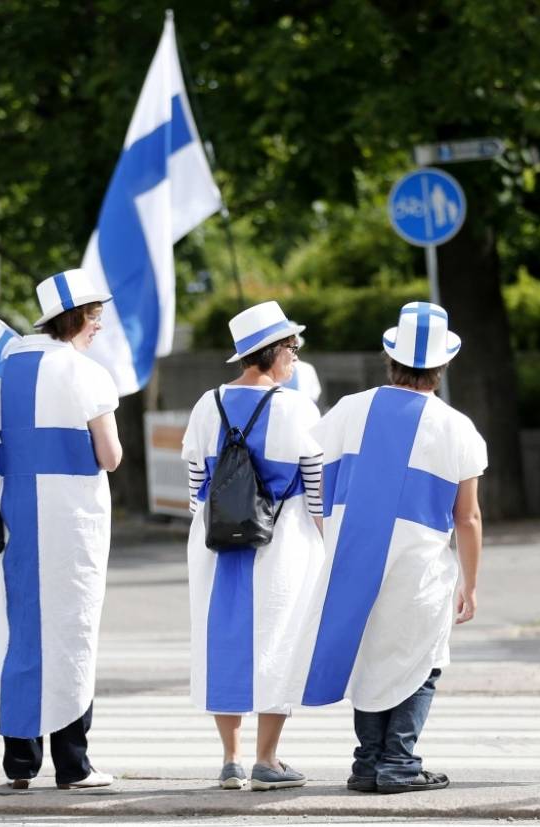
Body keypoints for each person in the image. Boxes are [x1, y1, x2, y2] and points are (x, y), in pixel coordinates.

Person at [292, 301, 486, 794]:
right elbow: (467, 517)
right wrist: (471, 583)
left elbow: (310, 472)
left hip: (351, 558)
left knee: (370, 655)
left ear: (390, 357)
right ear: (442, 367)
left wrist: (326, 532)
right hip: (419, 566)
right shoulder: (457, 426)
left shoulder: (350, 409)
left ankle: (367, 762)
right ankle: (398, 762)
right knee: (420, 660)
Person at [0, 268, 122, 790]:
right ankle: (74, 764)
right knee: (72, 632)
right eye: (97, 314)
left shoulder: (2, 367)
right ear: (79, 318)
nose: (101, 324)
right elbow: (110, 456)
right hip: (71, 518)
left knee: (19, 631)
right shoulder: (86, 373)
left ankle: (19, 762)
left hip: (14, 511)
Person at [181, 300, 324, 791]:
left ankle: (230, 759)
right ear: (276, 352)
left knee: (221, 640)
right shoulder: (297, 407)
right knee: (278, 639)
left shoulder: (207, 403)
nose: (297, 358)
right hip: (282, 540)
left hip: (214, 540)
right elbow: (316, 485)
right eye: (293, 348)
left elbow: (196, 481)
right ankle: (268, 759)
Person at [281, 323, 322, 405]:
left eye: (294, 347)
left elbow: (315, 391)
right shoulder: (275, 370)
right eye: (289, 346)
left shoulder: (308, 368)